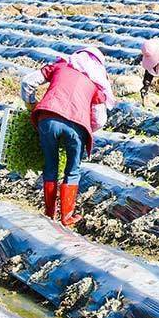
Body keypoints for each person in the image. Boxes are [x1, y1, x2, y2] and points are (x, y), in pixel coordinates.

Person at [20, 47, 115, 226]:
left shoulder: (60, 66)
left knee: (50, 166)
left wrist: (31, 105)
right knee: (72, 170)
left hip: (47, 119)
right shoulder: (95, 84)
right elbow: (100, 119)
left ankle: (49, 214)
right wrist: (84, 128)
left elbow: (27, 82)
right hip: (77, 126)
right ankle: (67, 217)